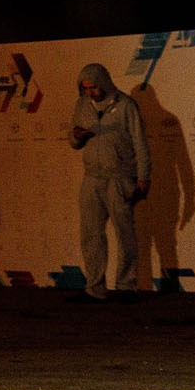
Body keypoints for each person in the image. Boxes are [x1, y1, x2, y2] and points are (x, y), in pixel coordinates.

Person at [68, 63, 150, 304]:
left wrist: (143, 177)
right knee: (90, 234)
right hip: (92, 177)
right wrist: (76, 136)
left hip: (119, 177)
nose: (90, 92)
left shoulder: (125, 105)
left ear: (103, 82)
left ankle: (126, 286)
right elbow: (72, 142)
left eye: (93, 87)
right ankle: (94, 287)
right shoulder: (82, 104)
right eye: (85, 88)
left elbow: (140, 143)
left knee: (124, 233)